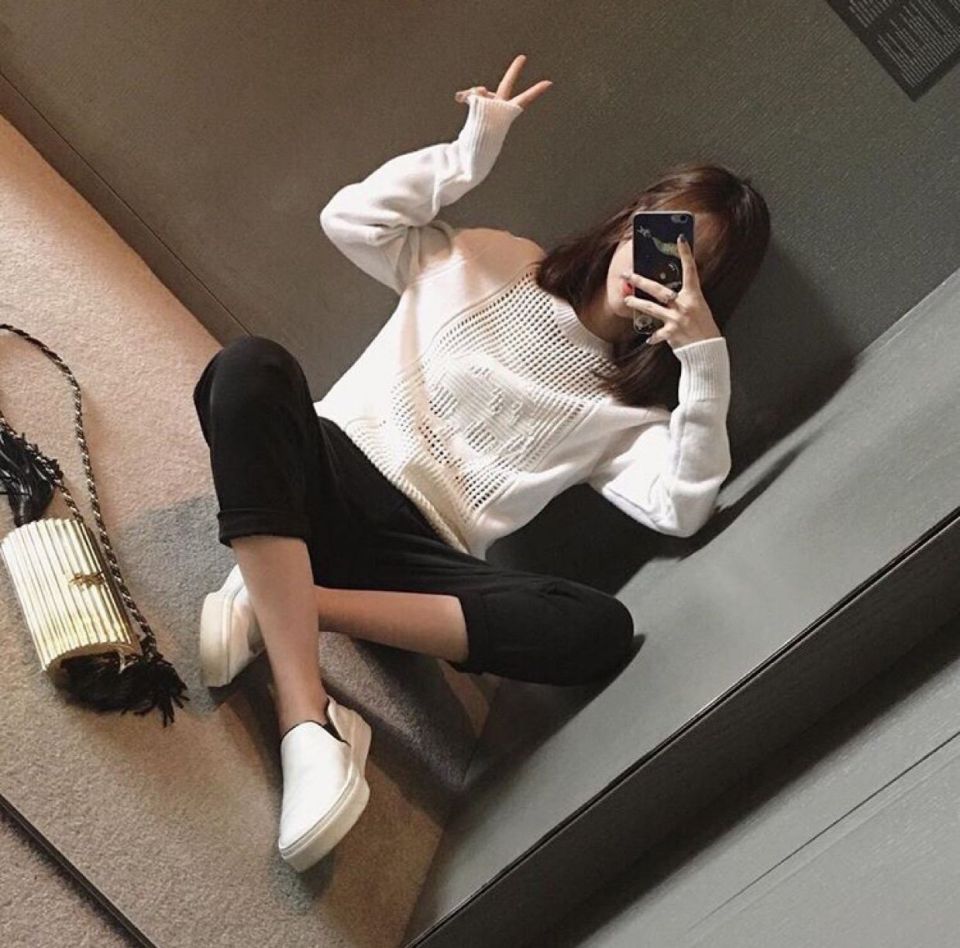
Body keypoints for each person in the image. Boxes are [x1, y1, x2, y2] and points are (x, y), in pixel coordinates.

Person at [192, 53, 771, 872]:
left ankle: (281, 598)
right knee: (248, 367)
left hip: (415, 560)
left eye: (688, 269)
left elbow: (682, 508)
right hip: (326, 463)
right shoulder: (496, 257)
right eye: (662, 232)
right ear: (630, 220)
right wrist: (468, 154)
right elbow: (350, 220)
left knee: (598, 630)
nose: (655, 266)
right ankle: (305, 716)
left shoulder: (630, 413)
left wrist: (704, 360)